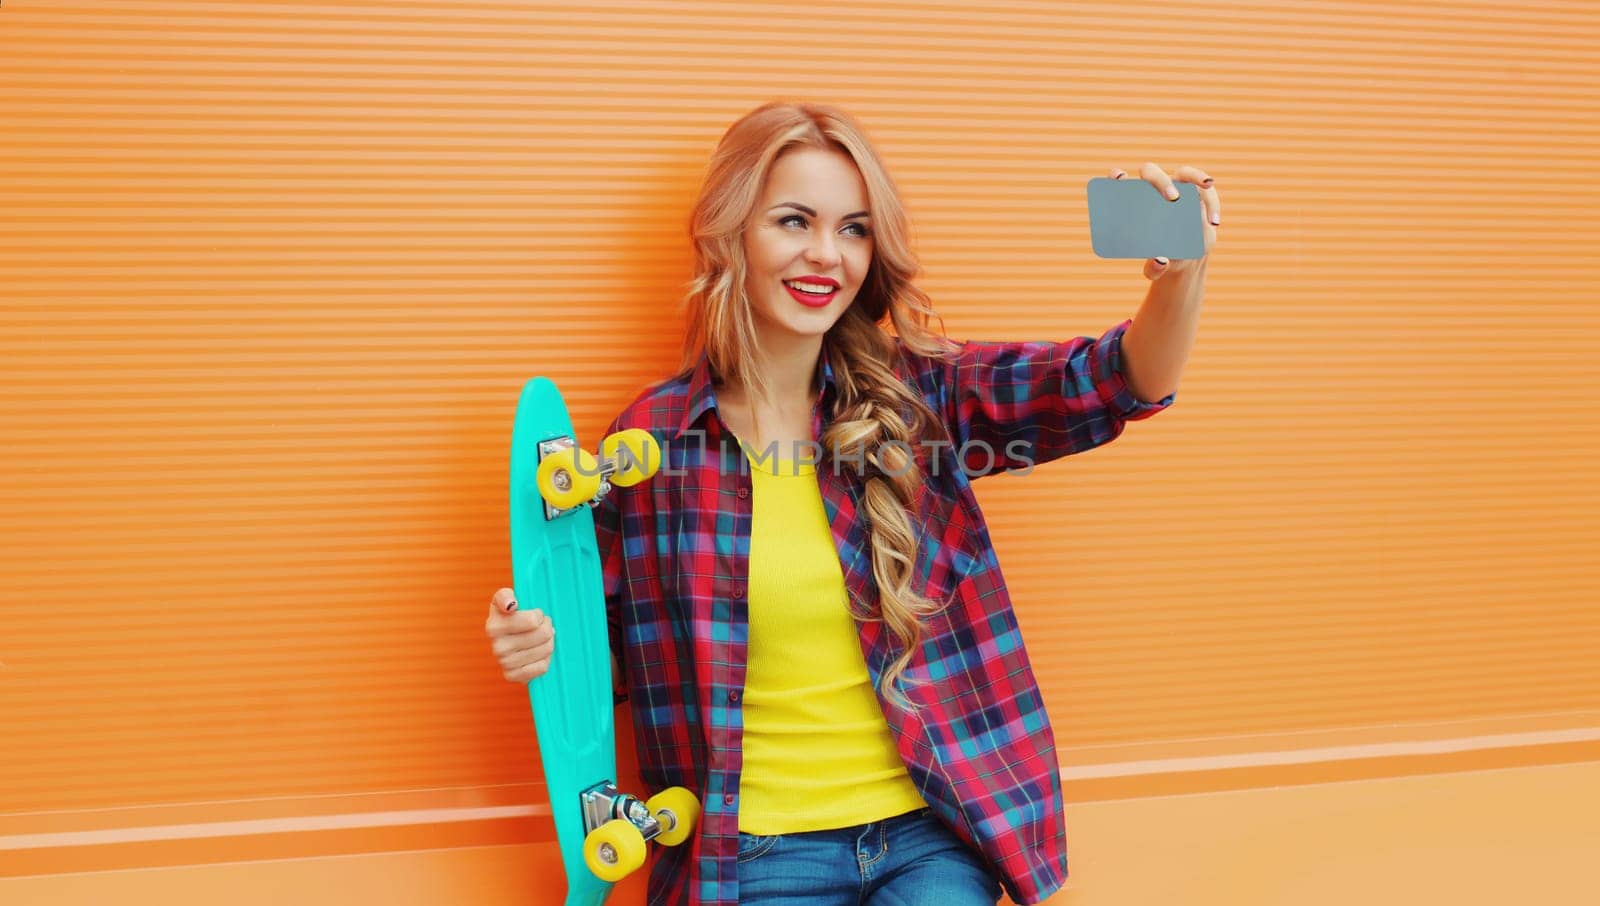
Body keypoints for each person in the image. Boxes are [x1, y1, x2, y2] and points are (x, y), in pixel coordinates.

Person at [486, 100, 1217, 906]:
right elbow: (603, 656)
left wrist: (1183, 276)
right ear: (732, 233)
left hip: (925, 839)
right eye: (794, 221)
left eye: (855, 229)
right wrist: (537, 642)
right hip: (753, 854)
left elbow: (1113, 382)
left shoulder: (919, 399)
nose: (826, 255)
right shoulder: (652, 443)